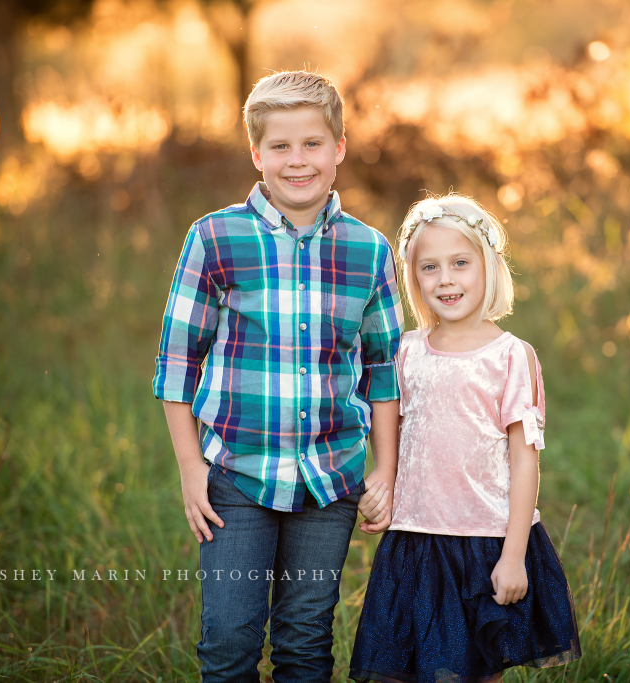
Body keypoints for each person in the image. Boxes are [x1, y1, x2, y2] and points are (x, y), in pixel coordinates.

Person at [153, 70, 402, 683]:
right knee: (231, 641)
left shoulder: (369, 251)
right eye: (281, 147)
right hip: (236, 476)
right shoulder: (215, 238)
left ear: (339, 148)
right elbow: (177, 361)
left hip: (328, 479)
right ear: (256, 152)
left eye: (313, 144)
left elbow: (385, 373)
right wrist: (191, 468)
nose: (298, 161)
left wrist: (386, 470)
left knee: (306, 641)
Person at [349, 193, 582, 682]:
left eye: (460, 263)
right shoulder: (407, 352)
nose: (446, 279)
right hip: (415, 539)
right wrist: (384, 483)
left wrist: (514, 553)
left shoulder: (510, 356)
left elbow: (525, 461)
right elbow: (388, 426)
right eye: (429, 267)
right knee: (407, 670)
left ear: (488, 268)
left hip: (485, 542)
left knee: (476, 671)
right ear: (413, 278)